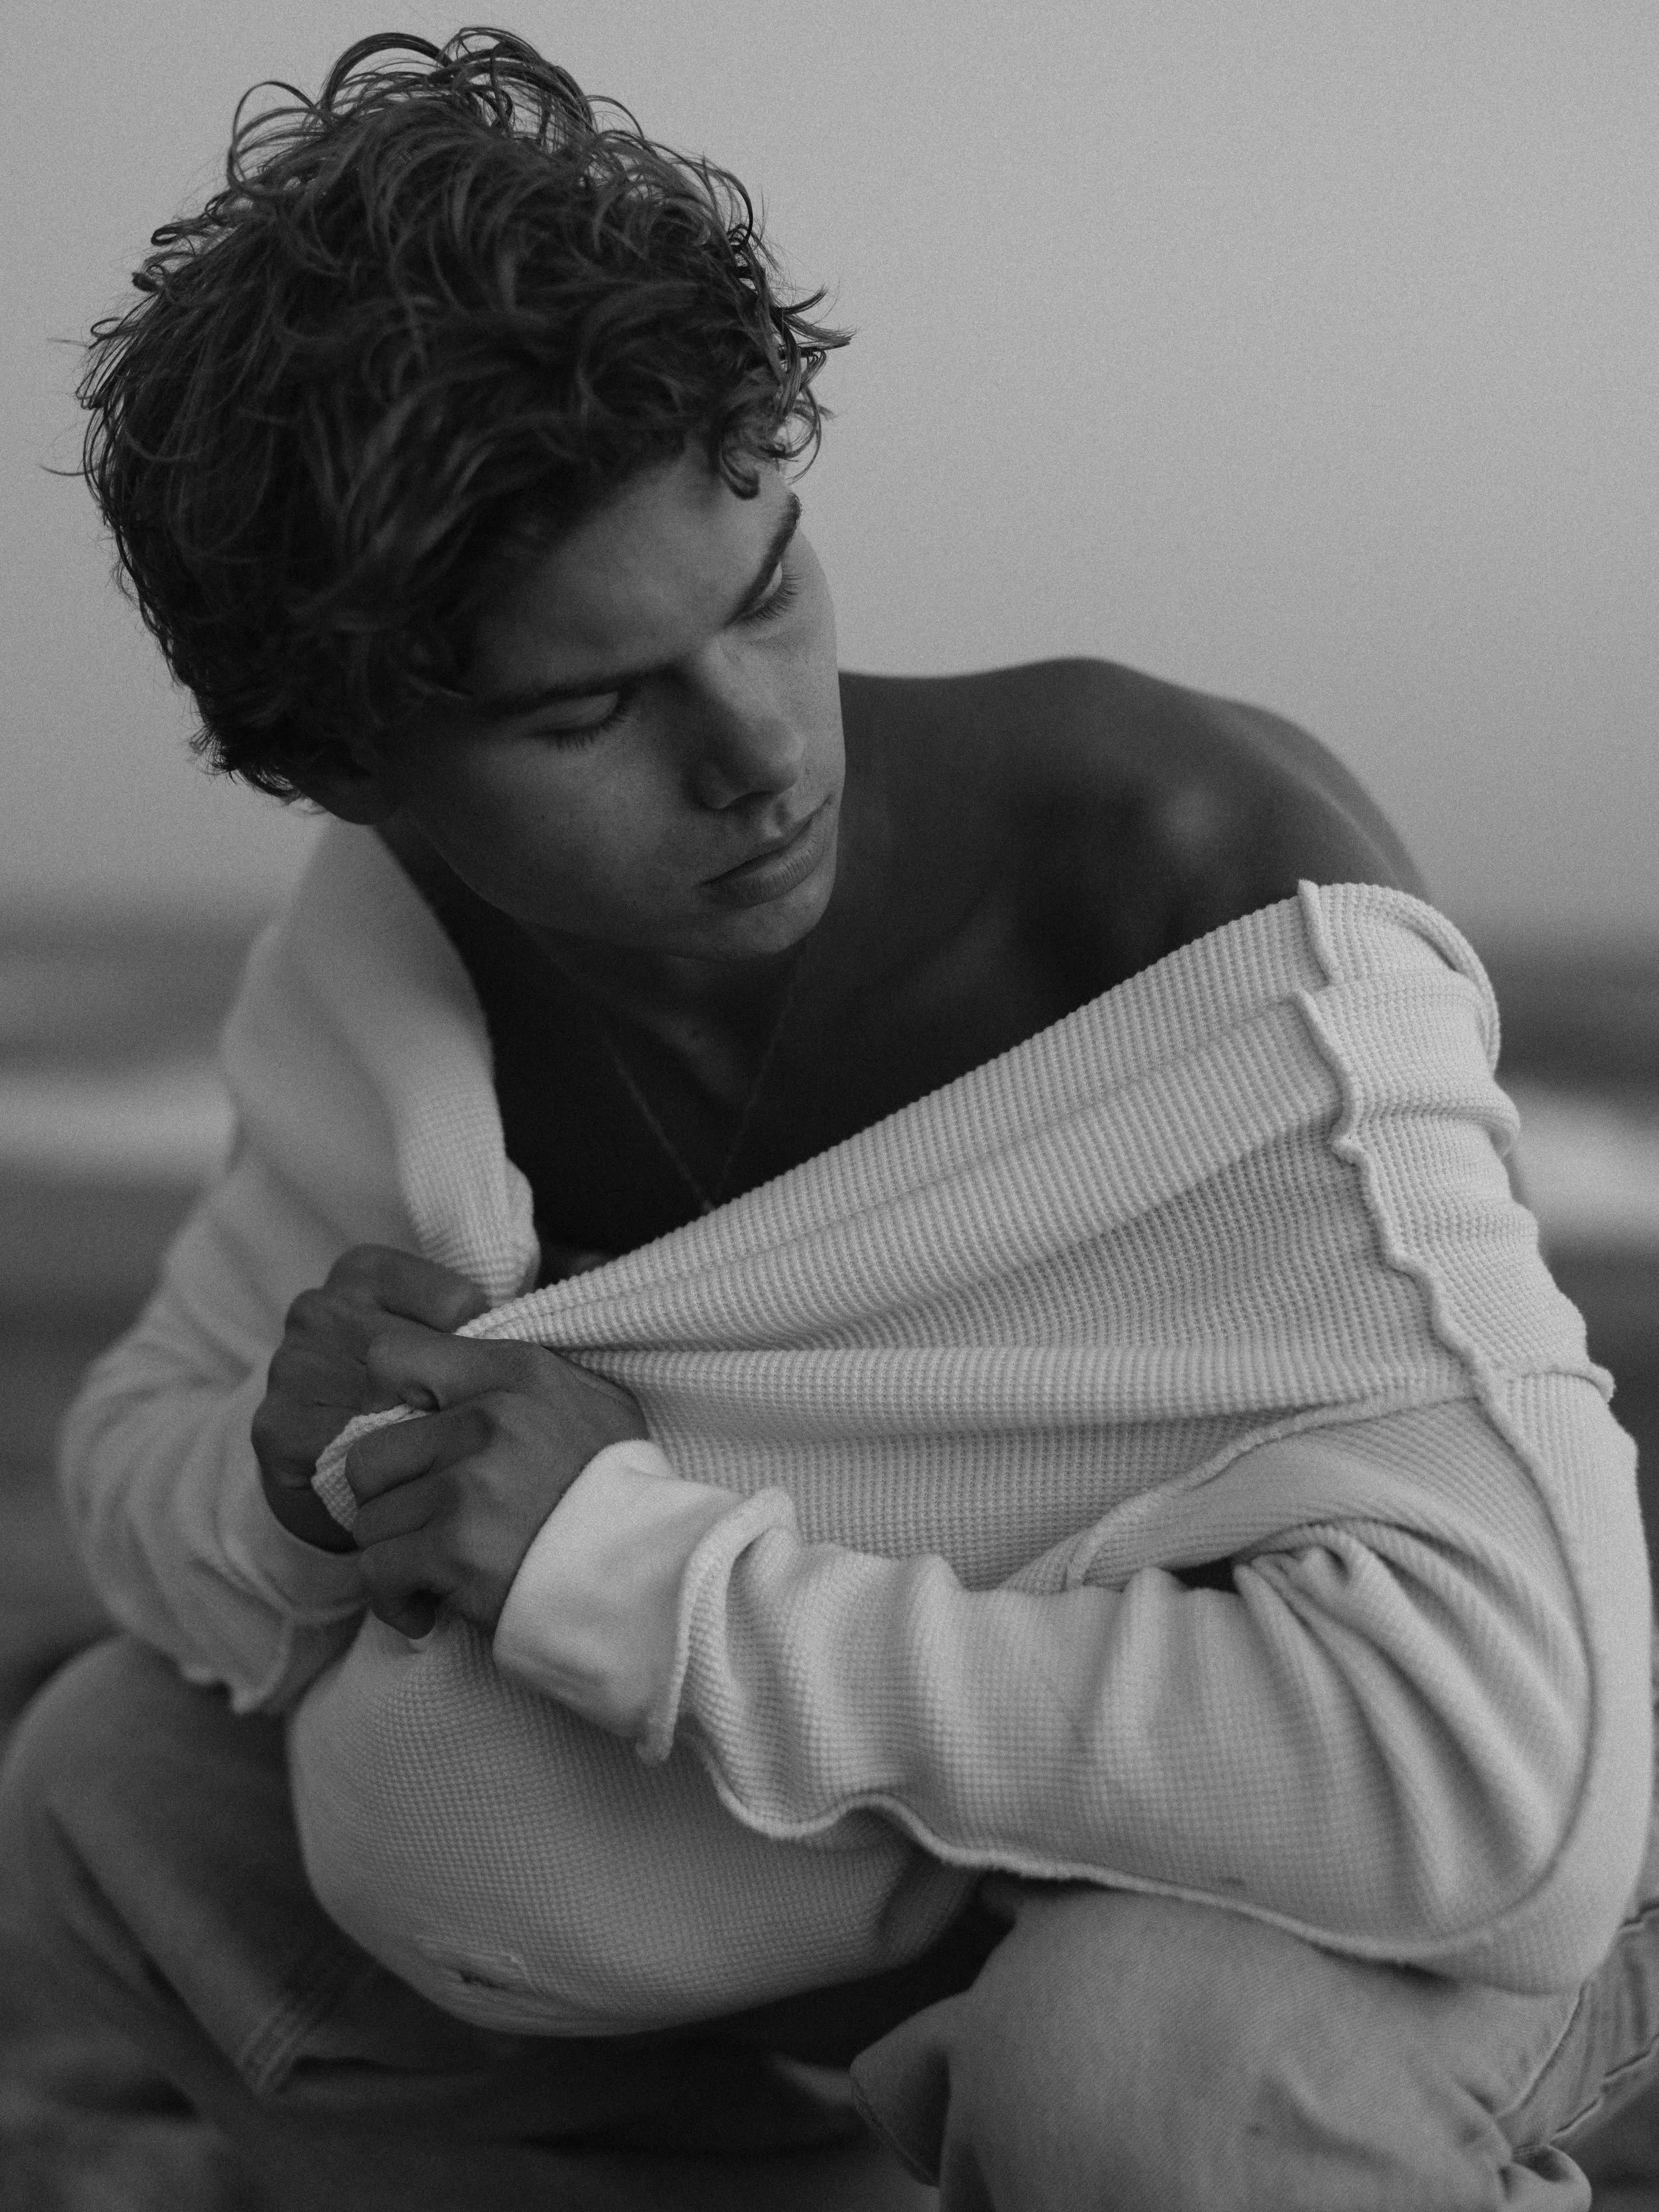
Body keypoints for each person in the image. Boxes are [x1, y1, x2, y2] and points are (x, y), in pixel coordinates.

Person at [3, 27, 1658, 2211]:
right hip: (900, 1842)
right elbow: (146, 1457)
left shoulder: (1201, 903)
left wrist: (629, 1571)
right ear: (345, 762)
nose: (759, 749)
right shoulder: (389, 984)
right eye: (593, 704)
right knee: (114, 1786)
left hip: (1452, 1870)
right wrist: (304, 1481)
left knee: (1135, 2064)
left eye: (765, 582)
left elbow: (1499, 1797)